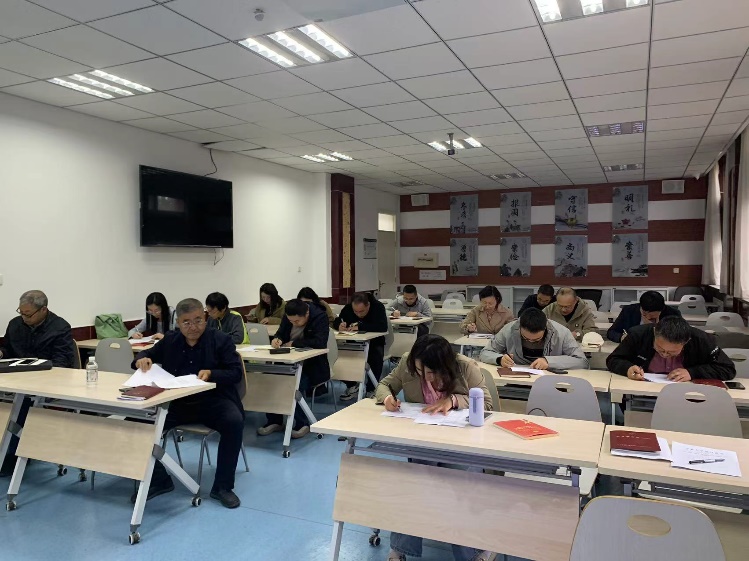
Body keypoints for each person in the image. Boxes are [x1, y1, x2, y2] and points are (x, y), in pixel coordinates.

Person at [375, 334, 494, 561]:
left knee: (460, 489)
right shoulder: (410, 362)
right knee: (414, 484)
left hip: (462, 444)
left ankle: (473, 552)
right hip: (423, 440)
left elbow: (487, 404)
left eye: (431, 372)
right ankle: (400, 549)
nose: (425, 377)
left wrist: (453, 400)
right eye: (421, 371)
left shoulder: (466, 367)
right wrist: (388, 398)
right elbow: (385, 384)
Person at [132, 298, 245, 508]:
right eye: (186, 322)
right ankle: (159, 480)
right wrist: (142, 358)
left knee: (234, 421)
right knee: (138, 424)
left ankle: (223, 487)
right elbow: (147, 353)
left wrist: (212, 373)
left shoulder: (221, 340)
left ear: (205, 318)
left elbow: (235, 372)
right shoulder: (171, 340)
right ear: (178, 323)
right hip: (178, 403)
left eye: (198, 320)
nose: (193, 327)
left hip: (214, 401)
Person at [0, 290, 75, 476]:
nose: (24, 318)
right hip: (17, 380)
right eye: (21, 312)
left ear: (43, 310)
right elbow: (8, 350)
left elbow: (62, 363)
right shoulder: (15, 324)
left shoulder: (60, 327)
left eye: (28, 314)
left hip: (47, 383)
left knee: (21, 404)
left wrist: (37, 375)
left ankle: (13, 455)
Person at [258, 299, 330, 439]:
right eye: (291, 321)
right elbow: (281, 333)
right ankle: (274, 420)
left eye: (297, 321)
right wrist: (277, 339)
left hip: (312, 365)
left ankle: (302, 423)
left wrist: (294, 343)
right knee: (270, 377)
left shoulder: (320, 316)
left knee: (297, 382)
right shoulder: (289, 316)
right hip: (288, 360)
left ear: (307, 313)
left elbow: (320, 342)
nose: (294, 323)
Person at [607, 316, 736, 382]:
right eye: (660, 348)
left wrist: (692, 373)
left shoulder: (702, 340)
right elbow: (613, 359)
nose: (664, 354)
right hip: (643, 389)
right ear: (654, 333)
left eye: (672, 352)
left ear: (686, 342)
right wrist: (627, 368)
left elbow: (727, 369)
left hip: (687, 394)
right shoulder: (638, 335)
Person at [480, 308, 589, 370]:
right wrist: (499, 359)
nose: (530, 342)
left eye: (537, 340)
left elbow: (582, 361)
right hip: (517, 380)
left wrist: (549, 362)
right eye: (525, 338)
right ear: (519, 327)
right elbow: (485, 352)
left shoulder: (562, 333)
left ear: (546, 327)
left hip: (551, 381)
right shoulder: (509, 329)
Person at [334, 292, 388, 401]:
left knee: (375, 356)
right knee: (340, 359)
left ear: (368, 305)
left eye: (362, 311)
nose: (358, 314)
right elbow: (338, 320)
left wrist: (361, 326)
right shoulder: (348, 308)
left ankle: (371, 389)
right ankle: (352, 385)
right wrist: (339, 325)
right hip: (352, 342)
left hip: (375, 342)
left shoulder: (378, 307)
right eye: (356, 311)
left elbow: (382, 326)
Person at [607, 291, 681, 343]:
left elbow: (679, 335)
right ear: (641, 307)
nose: (648, 317)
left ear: (661, 310)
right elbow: (611, 332)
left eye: (652, 316)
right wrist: (622, 338)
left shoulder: (673, 314)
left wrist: (656, 328)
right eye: (644, 314)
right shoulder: (629, 311)